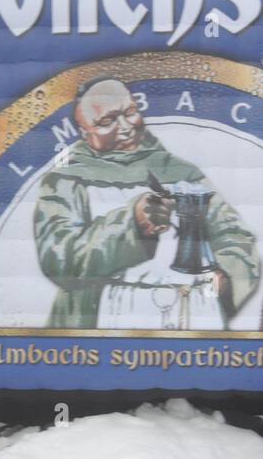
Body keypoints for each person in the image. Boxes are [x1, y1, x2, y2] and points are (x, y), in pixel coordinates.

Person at [33, 78, 259, 329]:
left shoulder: (180, 171)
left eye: (130, 113)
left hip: (190, 313)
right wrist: (132, 224)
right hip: (102, 318)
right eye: (107, 121)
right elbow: (58, 259)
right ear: (86, 133)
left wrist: (224, 278)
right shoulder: (66, 179)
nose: (125, 127)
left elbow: (234, 236)